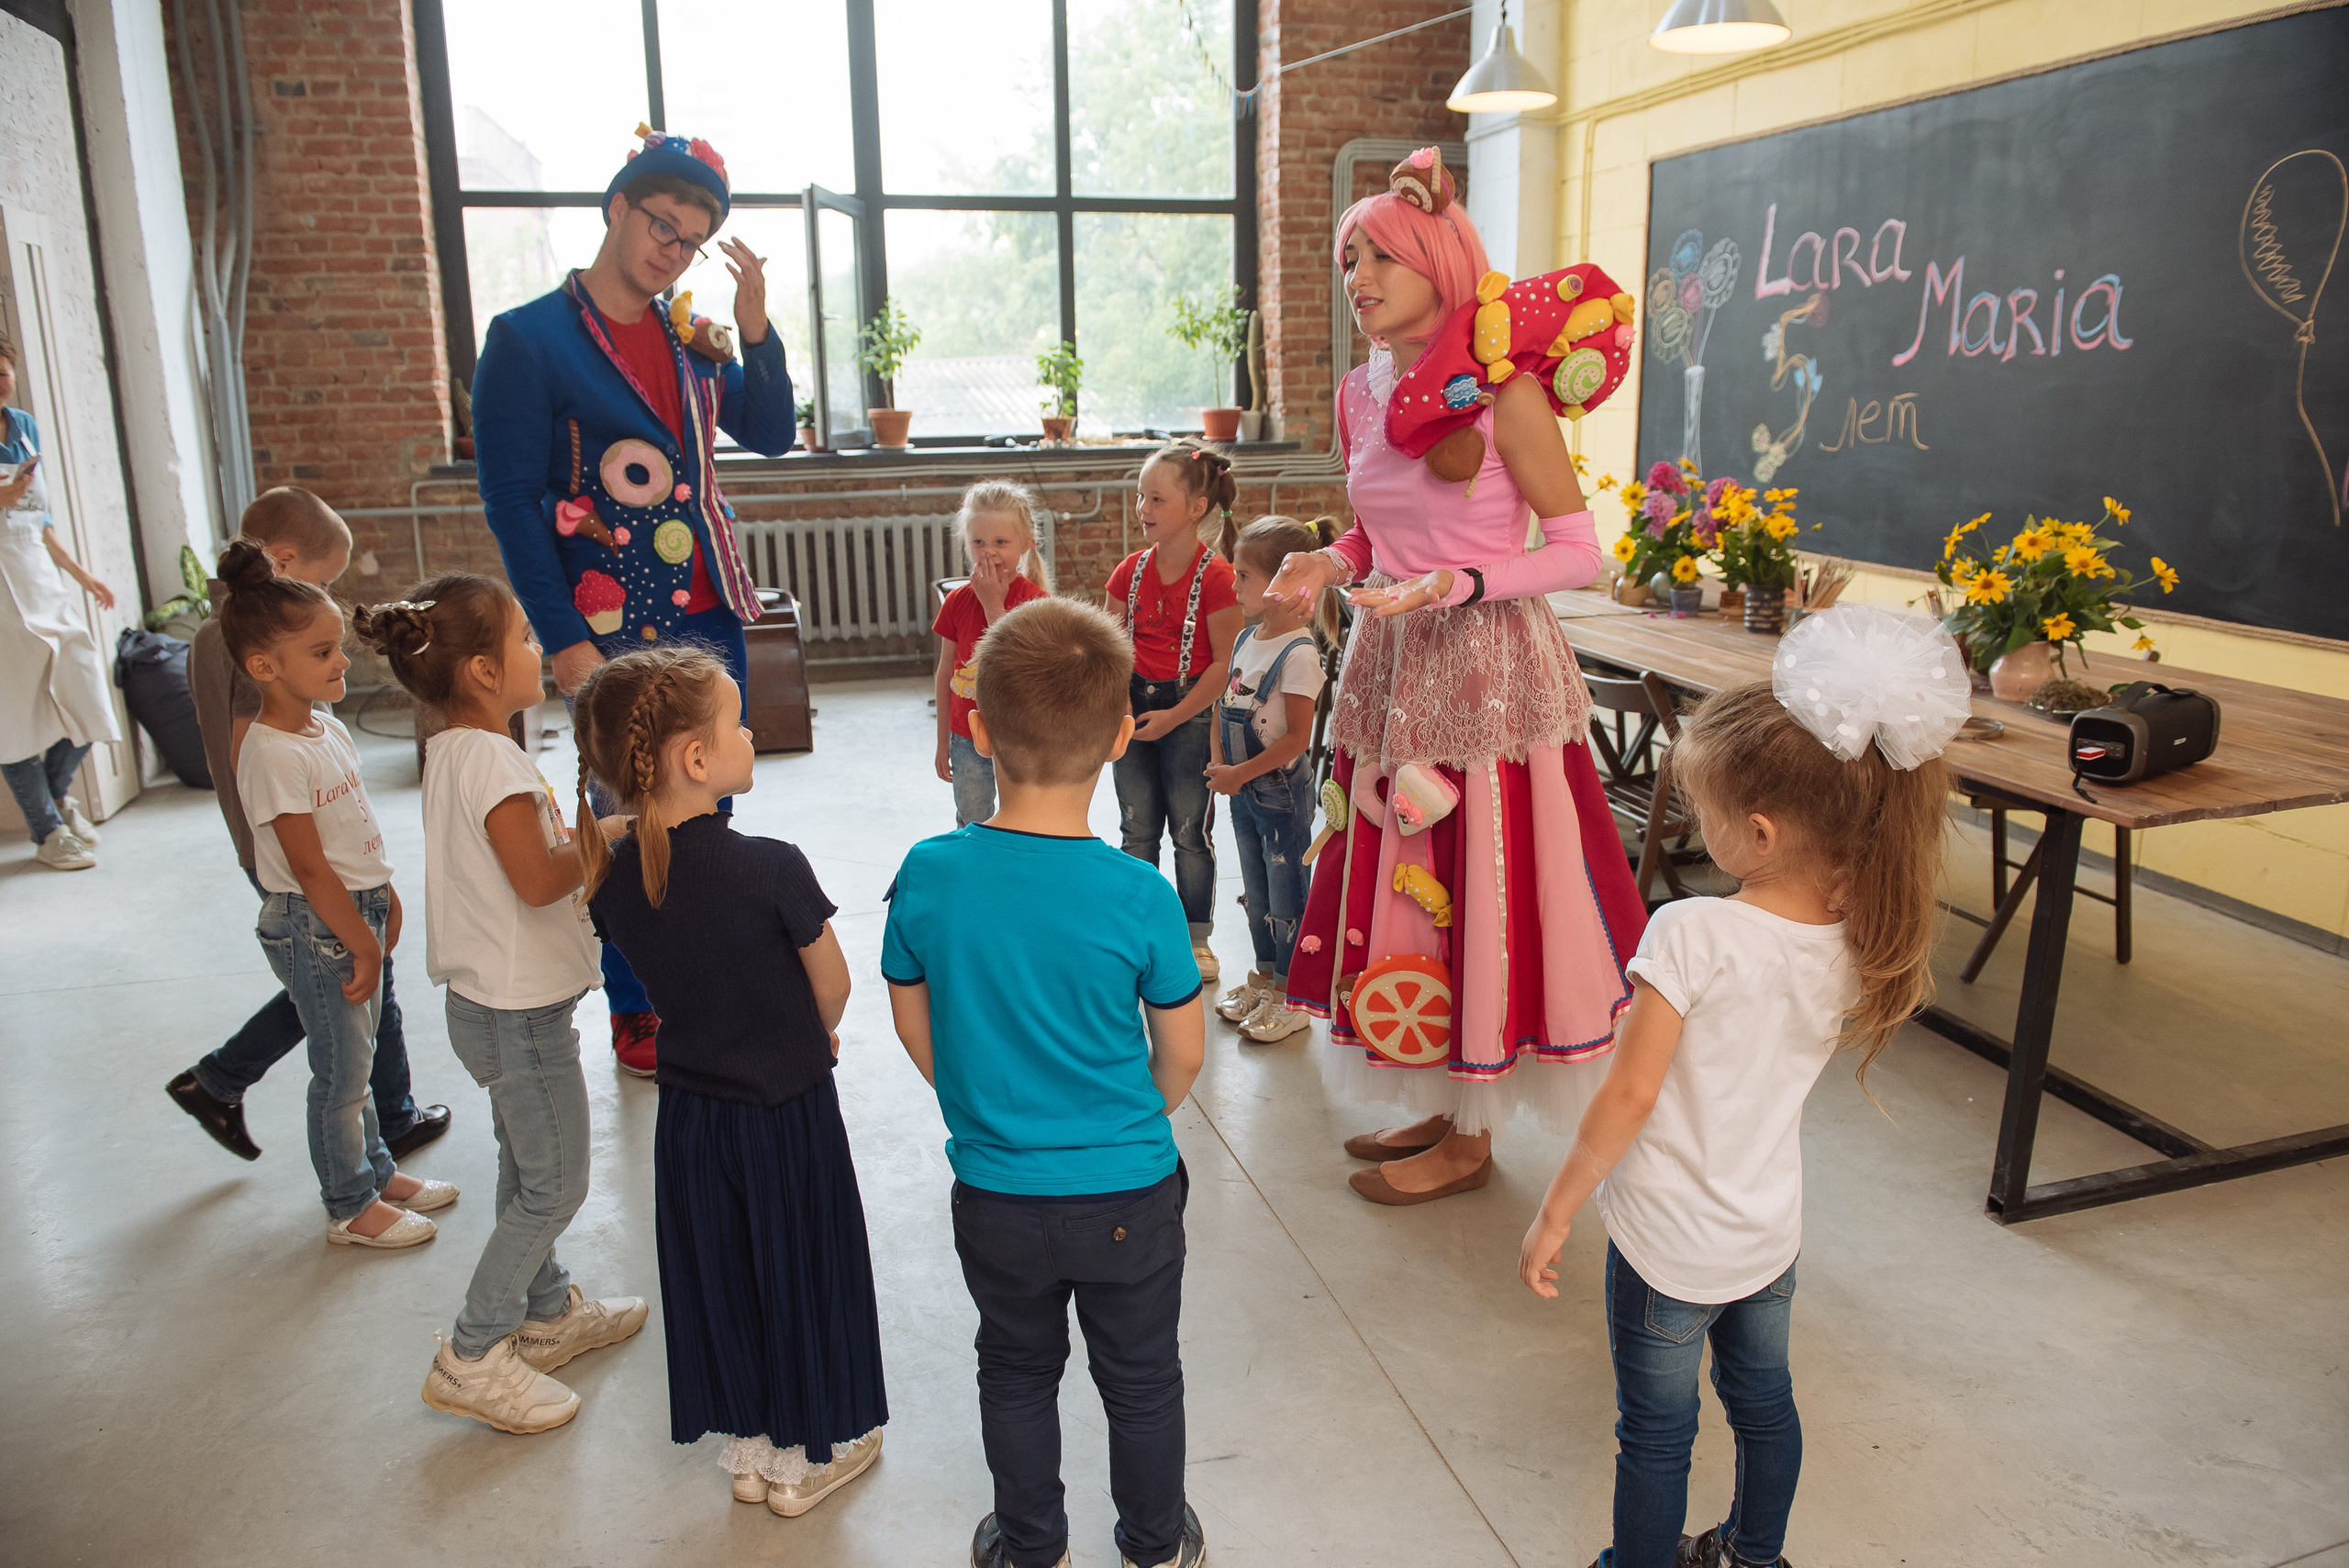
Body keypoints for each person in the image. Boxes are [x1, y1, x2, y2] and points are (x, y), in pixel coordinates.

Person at [1516, 607, 1968, 1568]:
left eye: (1703, 811)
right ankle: (1753, 1555)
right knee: (1765, 1407)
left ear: (1757, 832)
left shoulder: (1691, 934)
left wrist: (1555, 1209)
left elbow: (1629, 1097)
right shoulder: (1858, 940)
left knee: (1656, 1432)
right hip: (1766, 1235)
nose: (1696, 823)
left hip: (1666, 1243)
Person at [1265, 149, 1646, 1205]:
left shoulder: (1502, 391)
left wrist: (1459, 583)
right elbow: (1374, 531)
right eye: (1349, 261)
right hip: (1392, 661)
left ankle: (1474, 1133)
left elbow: (1579, 551)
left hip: (1485, 668)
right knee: (1411, 885)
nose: (1357, 278)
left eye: (1379, 256)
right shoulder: (1359, 392)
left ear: (1438, 259)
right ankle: (1444, 1094)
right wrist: (1328, 560)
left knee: (1478, 881)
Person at [884, 597, 1209, 1568]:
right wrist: (1133, 1116)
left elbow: (911, 1015)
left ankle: (1031, 1547)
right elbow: (1184, 1052)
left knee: (1016, 1371)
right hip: (1128, 1189)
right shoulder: (1140, 893)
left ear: (979, 728)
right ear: (1118, 738)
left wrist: (978, 1102)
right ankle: (1155, 1545)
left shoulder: (929, 872)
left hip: (997, 1188)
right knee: (1142, 1378)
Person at [473, 123, 795, 1078]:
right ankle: (637, 999)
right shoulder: (528, 340)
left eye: (691, 240)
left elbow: (771, 431)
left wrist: (755, 327)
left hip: (707, 612)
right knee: (623, 814)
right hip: (610, 623)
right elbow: (511, 502)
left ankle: (704, 973)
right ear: (616, 208)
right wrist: (562, 637)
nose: (673, 250)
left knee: (705, 807)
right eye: (662, 225)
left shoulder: (691, 337)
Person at [577, 646, 885, 1517]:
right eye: (736, 723)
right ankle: (808, 1451)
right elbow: (834, 986)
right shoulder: (772, 865)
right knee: (803, 1266)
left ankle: (750, 1444)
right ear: (694, 758)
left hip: (690, 1116)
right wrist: (814, 1032)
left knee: (728, 1271)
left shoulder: (614, 882)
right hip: (785, 1107)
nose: (749, 734)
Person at [352, 579, 648, 1435]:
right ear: (483, 671)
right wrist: (613, 838)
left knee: (526, 1169)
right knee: (556, 1185)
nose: (537, 647)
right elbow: (539, 876)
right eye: (524, 636)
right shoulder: (491, 759)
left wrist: (592, 836)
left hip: (495, 1006)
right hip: (518, 1014)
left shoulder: (455, 749)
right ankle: (474, 1351)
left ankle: (546, 1310)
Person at [167, 491, 449, 1164]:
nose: (323, 599)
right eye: (322, 582)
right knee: (351, 974)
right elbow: (256, 754)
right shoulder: (260, 647)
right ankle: (386, 1119)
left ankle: (226, 1081)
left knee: (332, 978)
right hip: (297, 849)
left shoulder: (211, 633)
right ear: (284, 562)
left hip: (278, 846)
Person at [214, 540, 454, 1250]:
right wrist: (361, 942)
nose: (342, 662)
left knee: (363, 1054)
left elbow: (352, 829)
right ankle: (349, 1205)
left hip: (354, 909)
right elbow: (310, 866)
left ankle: (375, 1171)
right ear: (264, 666)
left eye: (338, 647)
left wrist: (386, 892)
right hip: (315, 924)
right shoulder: (270, 751)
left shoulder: (328, 729)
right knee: (340, 1072)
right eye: (322, 652)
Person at [1105, 441, 1241, 984]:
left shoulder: (1218, 577)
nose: (1143, 508)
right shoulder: (1128, 572)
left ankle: (1195, 937)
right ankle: (1136, 932)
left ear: (1197, 507)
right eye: (1141, 496)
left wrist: (1176, 715)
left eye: (1157, 499)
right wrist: (1121, 705)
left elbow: (1224, 664)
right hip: (1132, 709)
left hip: (1192, 714)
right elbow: (1111, 649)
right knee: (1136, 829)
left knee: (1190, 831)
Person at [1206, 515, 1341, 1045]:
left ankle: (1294, 993)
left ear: (1285, 584)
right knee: (1256, 891)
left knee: (1287, 896)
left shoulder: (1300, 654)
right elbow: (1223, 708)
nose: (1233, 585)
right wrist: (1220, 765)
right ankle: (1265, 977)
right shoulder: (1246, 638)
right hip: (1241, 789)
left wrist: (1238, 773)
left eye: (1243, 576)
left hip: (1279, 793)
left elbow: (1296, 740)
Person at [0, 330, 120, 872]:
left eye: (3, 373)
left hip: (37, 575)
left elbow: (40, 519)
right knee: (12, 709)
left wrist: (81, 574)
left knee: (85, 681)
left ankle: (55, 794)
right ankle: (48, 830)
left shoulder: (24, 427)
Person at [932, 480, 1052, 826]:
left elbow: (1024, 670)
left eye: (1001, 542)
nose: (989, 553)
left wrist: (991, 604)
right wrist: (942, 741)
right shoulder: (956, 602)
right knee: (972, 820)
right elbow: (945, 673)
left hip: (1020, 736)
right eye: (979, 542)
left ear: (1027, 542)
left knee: (1024, 821)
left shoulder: (1037, 603)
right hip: (966, 735)